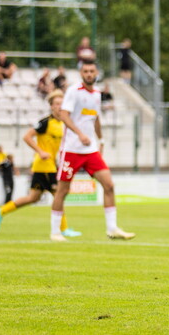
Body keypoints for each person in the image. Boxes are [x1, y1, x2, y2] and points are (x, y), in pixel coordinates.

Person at [50, 60, 134, 242]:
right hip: (72, 149)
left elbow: (95, 119)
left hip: (90, 150)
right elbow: (64, 115)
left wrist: (101, 140)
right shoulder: (74, 91)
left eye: (92, 71)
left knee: (109, 185)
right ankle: (55, 231)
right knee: (63, 190)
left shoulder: (97, 94)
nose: (89, 74)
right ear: (81, 73)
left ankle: (112, 229)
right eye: (86, 71)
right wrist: (80, 134)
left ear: (96, 73)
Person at [0, 90, 81, 237]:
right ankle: (63, 228)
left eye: (62, 104)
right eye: (57, 104)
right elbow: (27, 136)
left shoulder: (63, 124)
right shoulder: (45, 122)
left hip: (47, 165)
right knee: (59, 193)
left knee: (33, 198)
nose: (60, 106)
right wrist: (40, 151)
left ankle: (1, 211)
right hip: (45, 165)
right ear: (51, 106)